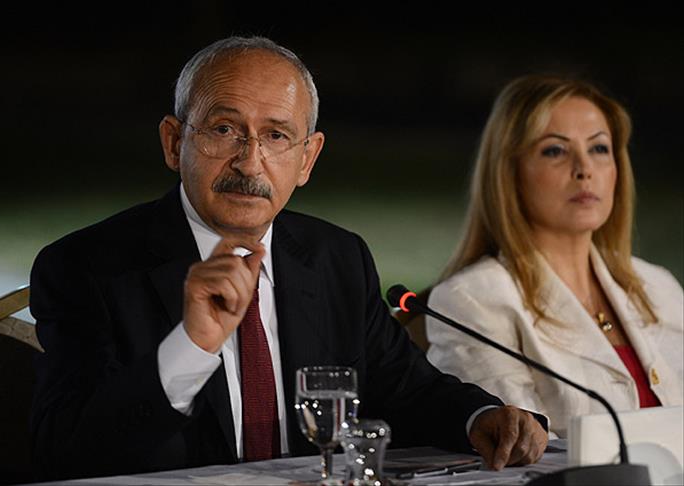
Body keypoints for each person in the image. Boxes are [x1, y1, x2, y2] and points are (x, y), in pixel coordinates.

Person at [29, 36, 547, 480]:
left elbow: (406, 389)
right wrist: (190, 346)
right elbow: (64, 452)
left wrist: (480, 416)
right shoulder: (86, 268)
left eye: (276, 136)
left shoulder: (337, 258)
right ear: (173, 142)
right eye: (224, 129)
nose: (249, 161)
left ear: (307, 158)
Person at [426, 74, 683, 438]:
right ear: (509, 172)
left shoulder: (660, 287)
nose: (584, 169)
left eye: (599, 148)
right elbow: (522, 453)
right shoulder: (473, 300)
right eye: (555, 151)